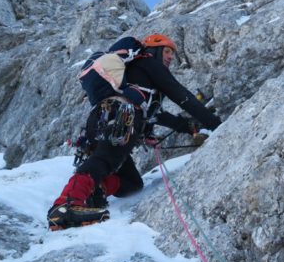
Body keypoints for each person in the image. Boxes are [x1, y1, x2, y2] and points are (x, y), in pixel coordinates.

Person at [47, 33, 222, 230]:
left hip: (102, 118)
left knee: (131, 183)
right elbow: (181, 95)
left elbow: (159, 115)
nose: (170, 57)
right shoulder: (148, 63)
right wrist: (217, 124)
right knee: (105, 159)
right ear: (154, 50)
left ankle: (95, 191)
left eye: (172, 53)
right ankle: (66, 204)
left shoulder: (135, 79)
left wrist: (189, 127)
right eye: (166, 51)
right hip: (122, 116)